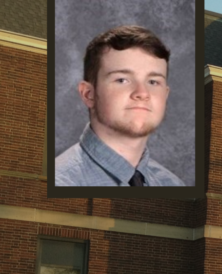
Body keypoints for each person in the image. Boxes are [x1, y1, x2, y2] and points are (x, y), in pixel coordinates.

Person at [55, 25, 184, 186]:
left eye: (153, 82)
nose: (142, 93)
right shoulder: (61, 181)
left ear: (165, 95)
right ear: (88, 94)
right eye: (122, 80)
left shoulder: (172, 184)